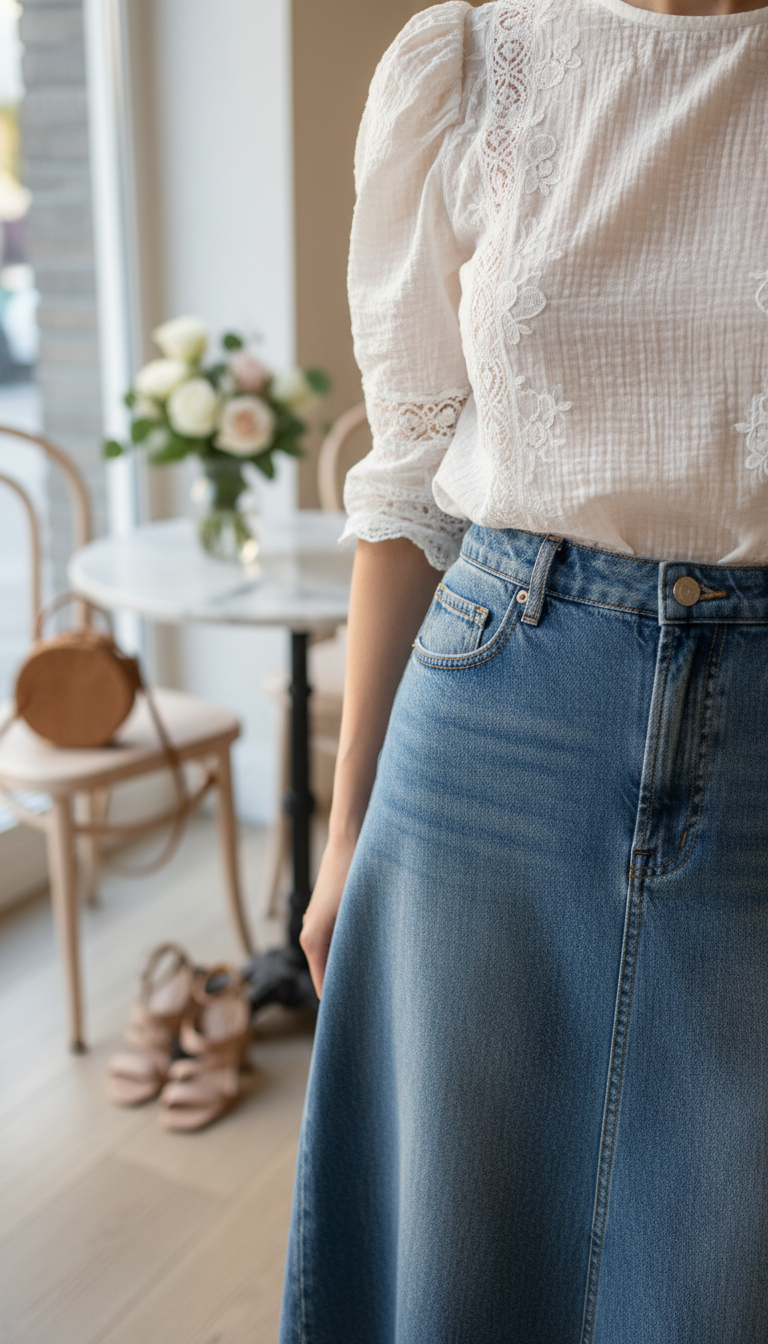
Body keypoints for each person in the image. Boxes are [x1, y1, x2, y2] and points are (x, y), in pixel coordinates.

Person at [280, 0, 768, 1337]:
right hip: (500, 707)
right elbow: (410, 490)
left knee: (724, 1260)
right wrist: (345, 839)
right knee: (458, 1242)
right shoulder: (475, 62)